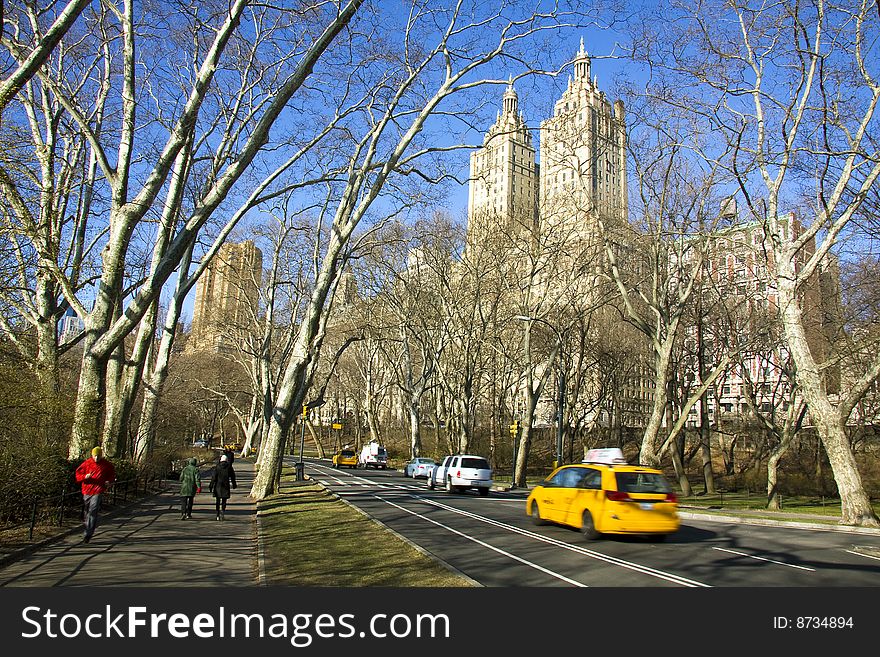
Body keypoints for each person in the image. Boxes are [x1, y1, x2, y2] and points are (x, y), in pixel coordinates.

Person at [74, 446, 116, 543]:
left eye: (98, 456)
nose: (96, 458)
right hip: (87, 490)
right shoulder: (87, 464)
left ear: (101, 456)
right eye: (95, 456)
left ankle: (88, 534)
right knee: (87, 511)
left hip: (98, 490)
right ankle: (87, 527)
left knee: (93, 510)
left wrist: (109, 481)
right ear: (92, 455)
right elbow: (77, 475)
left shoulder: (106, 465)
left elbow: (112, 474)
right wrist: (85, 476)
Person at [209, 453, 236, 520]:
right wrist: (234, 484)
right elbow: (233, 476)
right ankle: (223, 512)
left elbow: (214, 477)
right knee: (224, 501)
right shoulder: (229, 467)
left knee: (217, 501)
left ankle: (217, 514)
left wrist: (211, 485)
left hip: (218, 485)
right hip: (226, 485)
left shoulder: (217, 467)